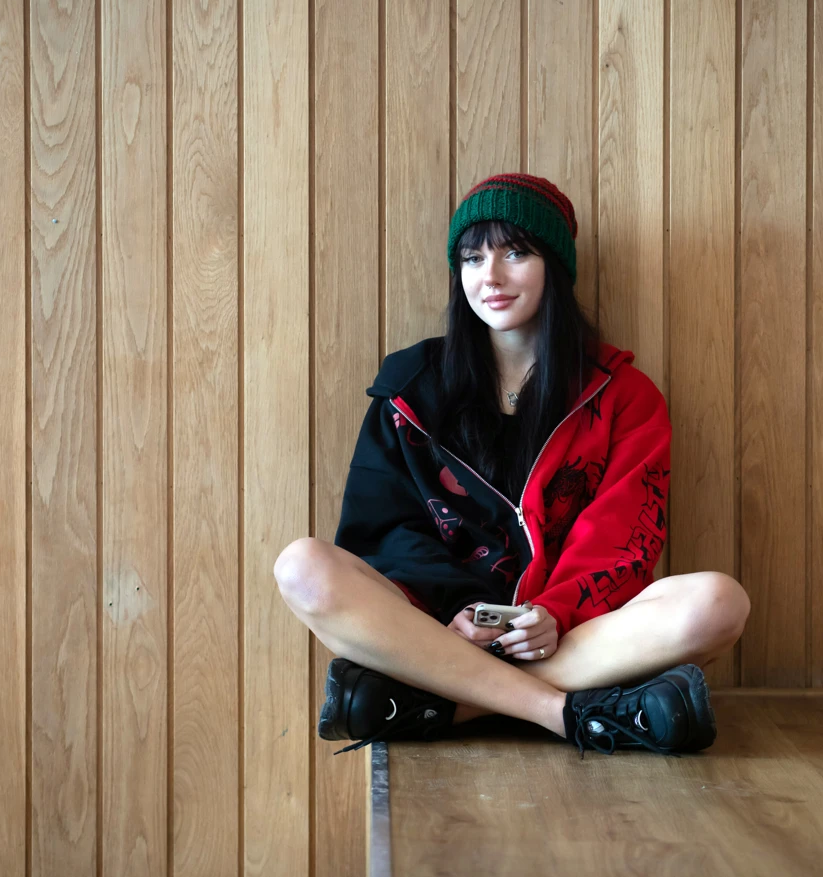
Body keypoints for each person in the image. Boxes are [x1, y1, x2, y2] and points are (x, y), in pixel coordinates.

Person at [273, 173, 750, 757]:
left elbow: (625, 536)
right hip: (441, 630)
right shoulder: (410, 388)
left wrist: (554, 613)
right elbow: (383, 531)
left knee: (719, 603)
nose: (490, 277)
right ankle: (565, 714)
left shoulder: (623, 395)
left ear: (556, 267)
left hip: (572, 633)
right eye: (472, 259)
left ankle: (440, 707)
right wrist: (457, 612)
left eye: (516, 253)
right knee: (302, 567)